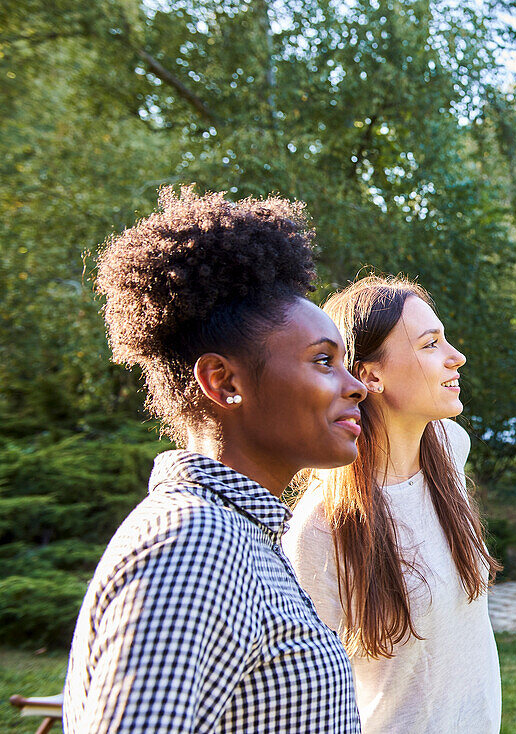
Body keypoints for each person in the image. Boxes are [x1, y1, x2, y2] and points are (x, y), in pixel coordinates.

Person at [64, 187, 366, 733]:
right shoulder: (192, 542)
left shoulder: (240, 534)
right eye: (324, 361)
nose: (356, 388)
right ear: (224, 383)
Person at [283, 275, 502, 733]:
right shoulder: (321, 526)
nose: (456, 356)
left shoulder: (449, 448)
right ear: (370, 375)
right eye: (430, 344)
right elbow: (310, 697)